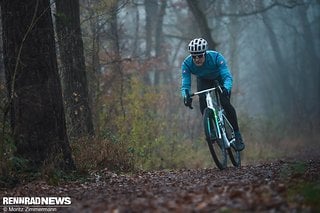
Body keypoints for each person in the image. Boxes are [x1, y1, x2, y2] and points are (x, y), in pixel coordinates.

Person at [181, 38, 245, 151]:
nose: (197, 59)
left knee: (225, 103)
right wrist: (185, 96)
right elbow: (185, 84)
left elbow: (227, 76)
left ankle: (237, 134)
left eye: (200, 56)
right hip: (203, 80)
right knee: (202, 100)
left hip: (219, 79)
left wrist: (226, 88)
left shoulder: (216, 57)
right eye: (194, 56)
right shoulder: (187, 64)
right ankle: (212, 130)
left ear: (205, 53)